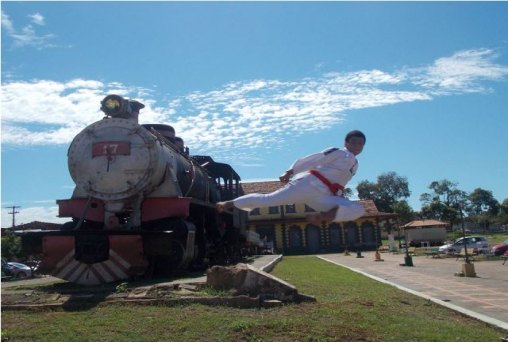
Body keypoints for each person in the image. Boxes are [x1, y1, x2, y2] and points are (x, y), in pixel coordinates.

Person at [216, 130, 367, 225]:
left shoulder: (356, 164)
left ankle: (321, 217)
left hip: (323, 197)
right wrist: (290, 171)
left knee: (357, 208)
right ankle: (229, 203)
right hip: (308, 185)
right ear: (346, 142)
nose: (357, 145)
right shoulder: (339, 152)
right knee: (268, 200)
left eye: (360, 144)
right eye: (354, 142)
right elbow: (314, 159)